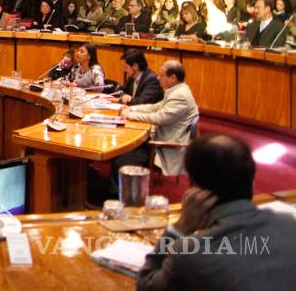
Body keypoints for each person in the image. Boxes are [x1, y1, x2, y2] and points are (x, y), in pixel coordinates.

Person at [137, 134, 296, 291]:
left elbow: (146, 285)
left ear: (194, 191)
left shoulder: (189, 252)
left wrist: (178, 229)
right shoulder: (289, 225)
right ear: (252, 182)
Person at [118, 60, 199, 176]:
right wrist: (132, 109)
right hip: (160, 135)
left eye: (161, 75)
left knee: (121, 157)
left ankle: (118, 186)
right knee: (124, 144)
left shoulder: (180, 96)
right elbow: (155, 107)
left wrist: (130, 115)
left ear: (173, 78)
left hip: (164, 144)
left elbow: (159, 118)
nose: (157, 78)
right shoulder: (177, 90)